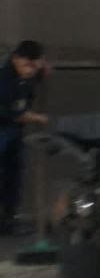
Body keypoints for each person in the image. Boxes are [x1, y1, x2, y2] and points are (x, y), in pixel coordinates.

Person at [1, 41, 50, 236]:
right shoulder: (4, 79)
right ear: (15, 59)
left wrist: (41, 70)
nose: (28, 70)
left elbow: (34, 76)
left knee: (13, 176)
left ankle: (8, 220)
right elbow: (10, 111)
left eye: (33, 65)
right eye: (25, 65)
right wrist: (35, 117)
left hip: (14, 134)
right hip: (3, 130)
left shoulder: (28, 75)